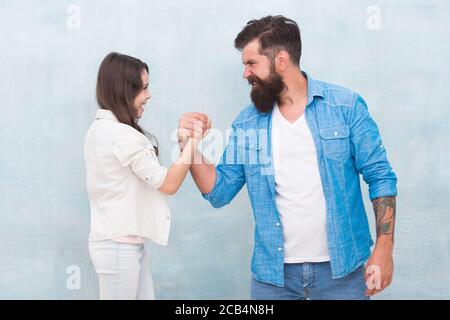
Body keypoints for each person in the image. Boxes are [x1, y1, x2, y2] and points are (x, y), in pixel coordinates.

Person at [178, 15, 397, 300]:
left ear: (281, 60)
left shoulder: (345, 107)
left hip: (343, 273)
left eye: (251, 63)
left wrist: (384, 249)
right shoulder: (248, 123)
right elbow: (218, 191)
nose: (246, 74)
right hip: (274, 279)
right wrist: (190, 146)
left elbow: (380, 176)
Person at [84, 52, 204, 299]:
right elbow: (168, 183)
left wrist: (187, 144)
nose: (148, 96)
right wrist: (193, 142)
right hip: (118, 247)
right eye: (144, 88)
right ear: (124, 90)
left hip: (120, 243)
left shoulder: (100, 129)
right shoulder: (121, 135)